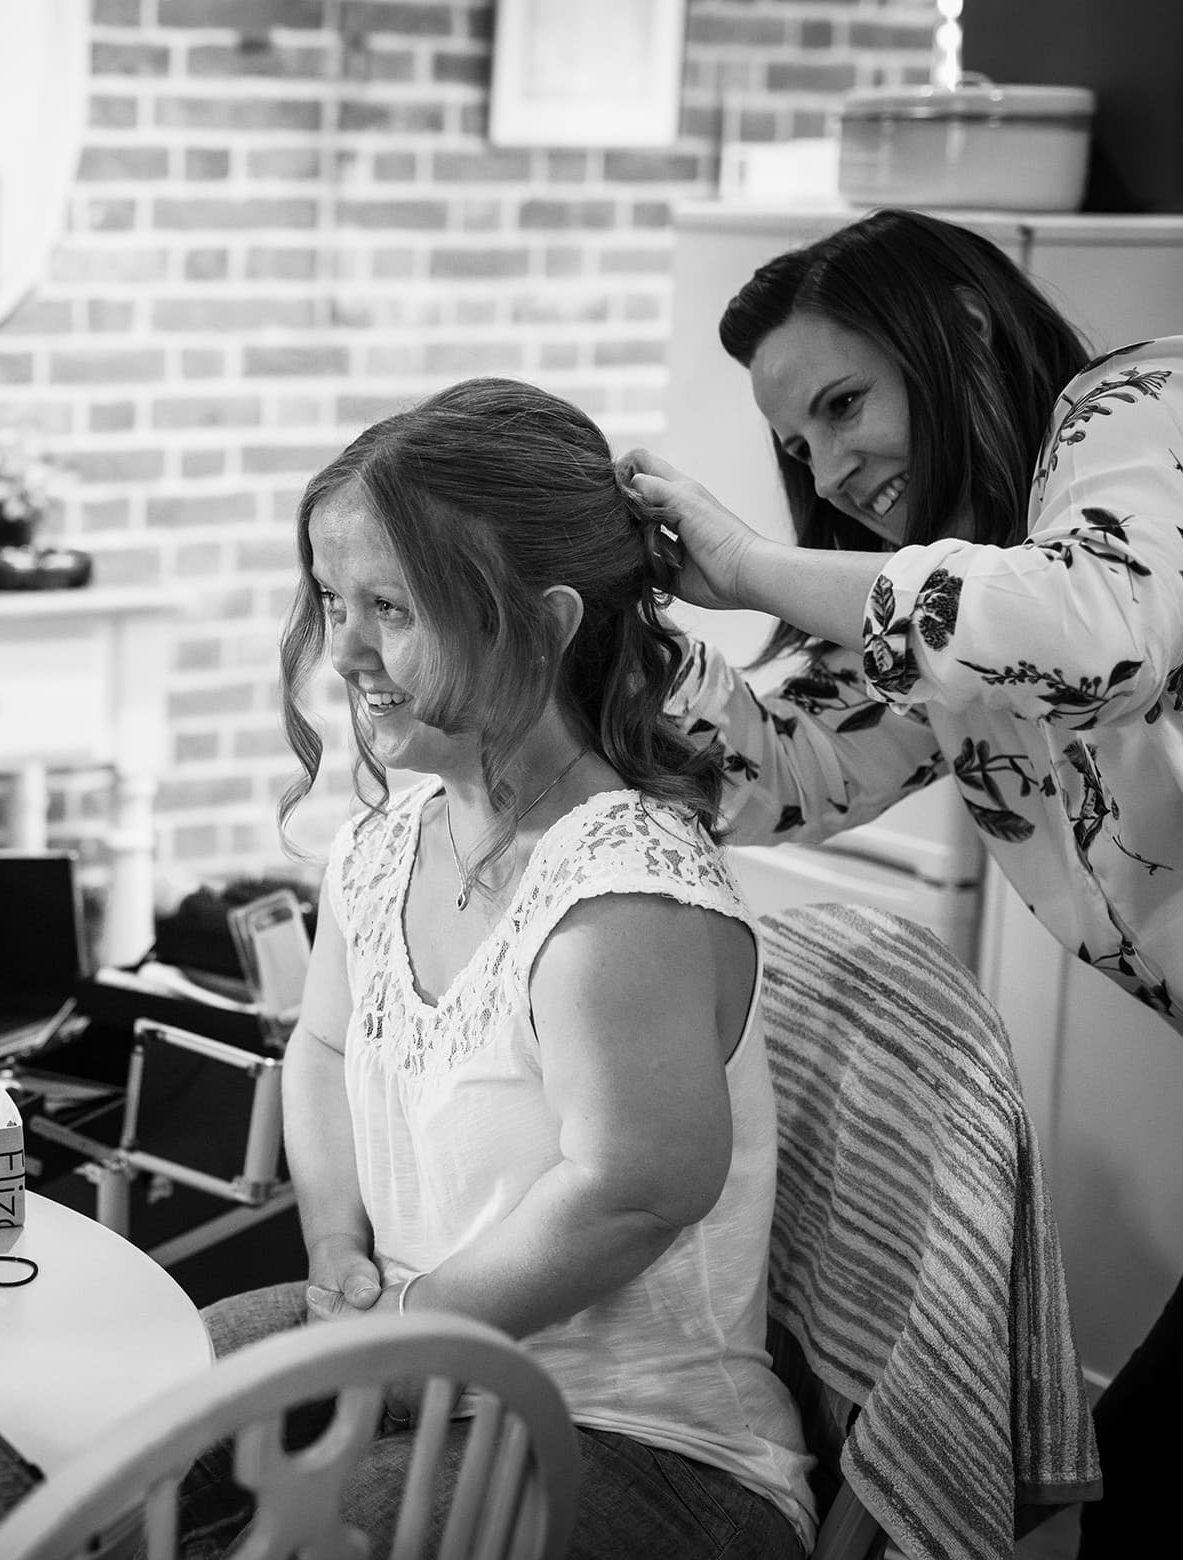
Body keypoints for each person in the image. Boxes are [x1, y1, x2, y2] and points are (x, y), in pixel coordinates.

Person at [619, 206, 1183, 1558]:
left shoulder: (1147, 408)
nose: (832, 469)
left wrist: (745, 563)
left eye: (845, 405)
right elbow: (776, 766)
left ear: (956, 332)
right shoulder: (953, 607)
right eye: (799, 448)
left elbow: (1097, 634)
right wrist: (610, 622)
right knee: (1158, 1488)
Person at [186, 378, 813, 1559]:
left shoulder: (620, 887)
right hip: (420, 1353)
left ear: (548, 621)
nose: (347, 649)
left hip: (637, 1438)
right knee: (129, 1413)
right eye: (333, 598)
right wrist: (334, 1248)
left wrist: (410, 1329)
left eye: (397, 606)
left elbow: (635, 1190)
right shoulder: (383, 844)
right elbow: (318, 1051)